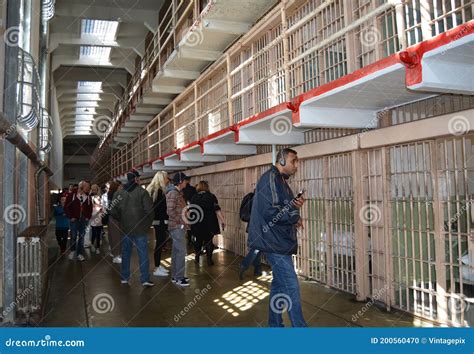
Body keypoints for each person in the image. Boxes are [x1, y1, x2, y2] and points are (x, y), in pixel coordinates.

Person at [248, 148, 306, 327]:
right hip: (274, 242)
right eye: (293, 161)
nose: (296, 165)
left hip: (278, 240)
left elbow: (281, 208)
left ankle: (274, 325)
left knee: (279, 286)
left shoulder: (280, 181)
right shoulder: (272, 179)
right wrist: (294, 216)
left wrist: (294, 207)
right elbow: (270, 211)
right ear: (281, 161)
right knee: (291, 286)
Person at [110, 170, 155, 287]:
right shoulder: (142, 192)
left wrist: (122, 220)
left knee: (126, 253)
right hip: (140, 229)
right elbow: (150, 211)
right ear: (136, 179)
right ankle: (144, 279)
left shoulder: (119, 193)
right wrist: (146, 225)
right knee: (143, 254)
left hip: (125, 229)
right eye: (138, 178)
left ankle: (124, 277)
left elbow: (113, 211)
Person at [190, 181, 225, 266]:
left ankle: (197, 257)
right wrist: (222, 220)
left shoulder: (194, 197)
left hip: (197, 222)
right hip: (210, 222)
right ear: (207, 187)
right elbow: (217, 209)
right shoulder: (211, 196)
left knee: (198, 240)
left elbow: (191, 210)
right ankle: (209, 259)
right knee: (209, 241)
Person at [166, 172, 190, 287]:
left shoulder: (177, 193)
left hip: (178, 226)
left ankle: (176, 276)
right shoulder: (173, 193)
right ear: (180, 182)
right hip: (177, 226)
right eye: (185, 180)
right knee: (181, 251)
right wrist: (181, 221)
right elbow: (170, 211)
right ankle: (179, 278)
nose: (187, 182)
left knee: (176, 251)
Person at [146, 171, 170, 277]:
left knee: (160, 243)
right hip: (160, 221)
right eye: (166, 177)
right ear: (161, 178)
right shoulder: (159, 191)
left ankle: (158, 265)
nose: (167, 179)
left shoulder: (152, 190)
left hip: (156, 221)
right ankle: (156, 268)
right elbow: (161, 209)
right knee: (160, 243)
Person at [65, 180, 92, 262]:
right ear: (81, 187)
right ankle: (72, 251)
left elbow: (90, 208)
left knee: (81, 236)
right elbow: (66, 207)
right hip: (74, 219)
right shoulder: (71, 195)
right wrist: (70, 216)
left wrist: (88, 217)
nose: (88, 188)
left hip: (83, 220)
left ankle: (80, 253)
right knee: (73, 236)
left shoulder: (88, 197)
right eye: (87, 187)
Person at [239, 190, 262, 279]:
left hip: (252, 226)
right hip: (261, 227)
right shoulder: (262, 199)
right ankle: (244, 265)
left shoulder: (252, 197)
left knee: (257, 248)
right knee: (257, 248)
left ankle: (257, 270)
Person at [106, 181, 122, 264]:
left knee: (112, 237)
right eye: (120, 186)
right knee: (116, 237)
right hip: (115, 217)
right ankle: (116, 256)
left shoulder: (110, 194)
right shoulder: (115, 195)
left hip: (112, 217)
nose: (121, 187)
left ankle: (113, 253)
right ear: (116, 187)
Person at [182, 176, 197, 247]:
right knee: (192, 225)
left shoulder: (181, 189)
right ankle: (192, 239)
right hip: (192, 209)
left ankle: (188, 240)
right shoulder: (193, 189)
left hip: (183, 209)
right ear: (189, 180)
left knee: (186, 225)